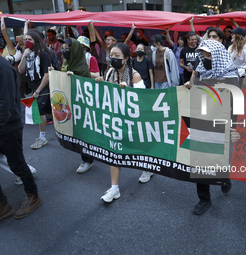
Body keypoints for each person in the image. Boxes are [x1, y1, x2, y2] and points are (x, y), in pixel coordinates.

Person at [185, 40, 239, 215]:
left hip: (220, 122)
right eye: (204, 55)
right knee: (199, 160)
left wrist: (233, 125)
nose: (206, 59)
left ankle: (223, 178)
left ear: (218, 56)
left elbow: (235, 102)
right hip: (201, 120)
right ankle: (204, 199)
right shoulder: (200, 71)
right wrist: (190, 87)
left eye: (209, 56)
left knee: (216, 158)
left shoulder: (230, 75)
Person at [96, 43, 153, 202]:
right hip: (116, 120)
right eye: (111, 55)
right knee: (114, 152)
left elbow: (143, 101)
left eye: (117, 56)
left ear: (126, 58)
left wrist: (128, 92)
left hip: (134, 121)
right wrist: (101, 83)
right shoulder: (109, 73)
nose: (112, 58)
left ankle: (147, 169)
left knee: (140, 148)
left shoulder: (135, 76)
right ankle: (114, 189)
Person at [0, 55, 42, 220]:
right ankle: (2, 205)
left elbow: (6, 105)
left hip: (9, 126)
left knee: (16, 164)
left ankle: (33, 196)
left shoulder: (3, 69)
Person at [59, 37, 95, 174]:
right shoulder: (66, 63)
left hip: (82, 107)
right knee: (77, 133)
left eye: (68, 49)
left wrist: (74, 79)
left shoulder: (81, 67)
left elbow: (86, 88)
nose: (65, 51)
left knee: (84, 133)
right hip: (70, 105)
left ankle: (88, 159)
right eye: (63, 48)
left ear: (74, 50)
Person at [18, 29, 52, 150]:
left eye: (30, 40)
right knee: (49, 111)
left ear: (36, 41)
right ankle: (66, 126)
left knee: (40, 112)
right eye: (26, 39)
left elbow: (47, 75)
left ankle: (42, 138)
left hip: (44, 86)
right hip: (34, 87)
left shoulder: (43, 54)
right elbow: (21, 70)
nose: (27, 42)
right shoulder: (28, 53)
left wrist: (38, 91)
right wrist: (24, 56)